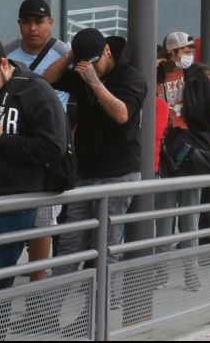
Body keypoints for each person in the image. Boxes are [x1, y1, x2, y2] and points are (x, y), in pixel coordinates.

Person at [44, 29, 147, 276]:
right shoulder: (82, 71)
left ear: (107, 51)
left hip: (119, 172)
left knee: (105, 246)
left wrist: (95, 82)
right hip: (86, 172)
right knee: (70, 244)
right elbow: (47, 80)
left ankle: (98, 300)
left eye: (95, 61)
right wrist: (71, 55)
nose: (91, 68)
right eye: (84, 63)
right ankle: (54, 301)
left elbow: (122, 114)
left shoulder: (130, 76)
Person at [155, 31, 210, 289]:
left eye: (191, 50)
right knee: (163, 217)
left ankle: (191, 274)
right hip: (164, 151)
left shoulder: (197, 76)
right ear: (171, 53)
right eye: (185, 51)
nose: (189, 55)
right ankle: (160, 273)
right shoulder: (156, 74)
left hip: (190, 149)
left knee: (190, 217)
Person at [5, 0, 71, 282]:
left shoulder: (64, 52)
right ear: (19, 24)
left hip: (48, 146)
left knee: (43, 221)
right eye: (27, 22)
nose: (33, 28)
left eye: (39, 22)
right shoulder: (9, 52)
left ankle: (37, 285)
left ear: (50, 23)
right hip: (12, 145)